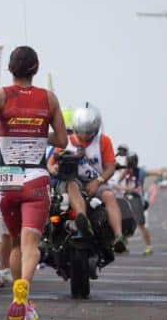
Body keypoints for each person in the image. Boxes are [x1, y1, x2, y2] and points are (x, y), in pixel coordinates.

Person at [0, 45, 68, 320]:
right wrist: (37, 133)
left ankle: (18, 295)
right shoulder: (48, 98)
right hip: (35, 178)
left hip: (6, 180)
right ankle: (23, 292)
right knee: (31, 244)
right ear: (35, 70)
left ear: (9, 69)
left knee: (13, 242)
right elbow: (62, 140)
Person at [47, 103, 128, 267]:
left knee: (109, 195)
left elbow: (110, 166)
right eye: (82, 132)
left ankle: (119, 237)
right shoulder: (66, 141)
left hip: (96, 182)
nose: (85, 136)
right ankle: (81, 217)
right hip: (71, 180)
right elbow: (51, 162)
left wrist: (98, 181)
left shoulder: (104, 141)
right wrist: (54, 168)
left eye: (89, 133)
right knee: (71, 186)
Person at [116, 152, 154, 255]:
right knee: (124, 222)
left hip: (136, 199)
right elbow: (117, 184)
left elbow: (149, 174)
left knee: (140, 223)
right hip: (127, 198)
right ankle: (124, 246)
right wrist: (127, 188)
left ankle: (149, 246)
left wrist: (161, 173)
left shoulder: (140, 171)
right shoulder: (126, 171)